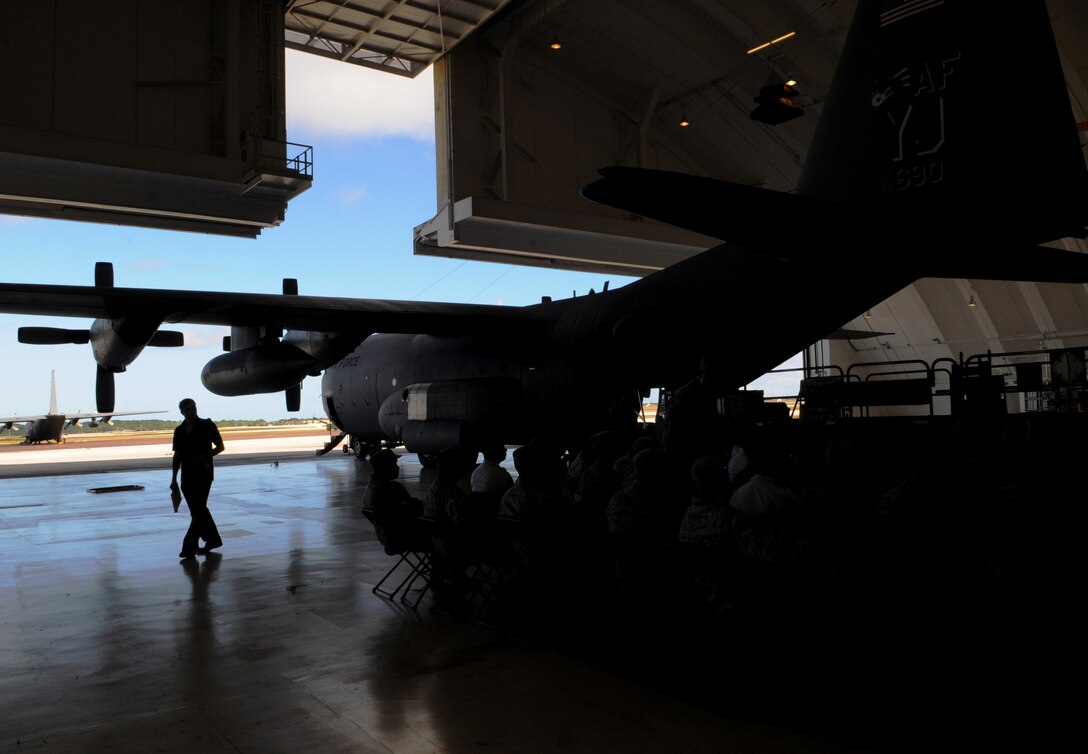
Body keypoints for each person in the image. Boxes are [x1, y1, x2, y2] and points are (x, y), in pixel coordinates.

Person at [170, 398, 225, 559]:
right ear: (182, 412)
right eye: (187, 409)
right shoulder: (179, 431)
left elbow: (220, 447)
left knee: (199, 510)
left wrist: (202, 457)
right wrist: (173, 478)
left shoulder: (207, 425)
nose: (191, 411)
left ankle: (189, 547)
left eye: (193, 408)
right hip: (186, 476)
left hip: (204, 474)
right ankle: (213, 540)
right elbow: (177, 455)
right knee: (198, 511)